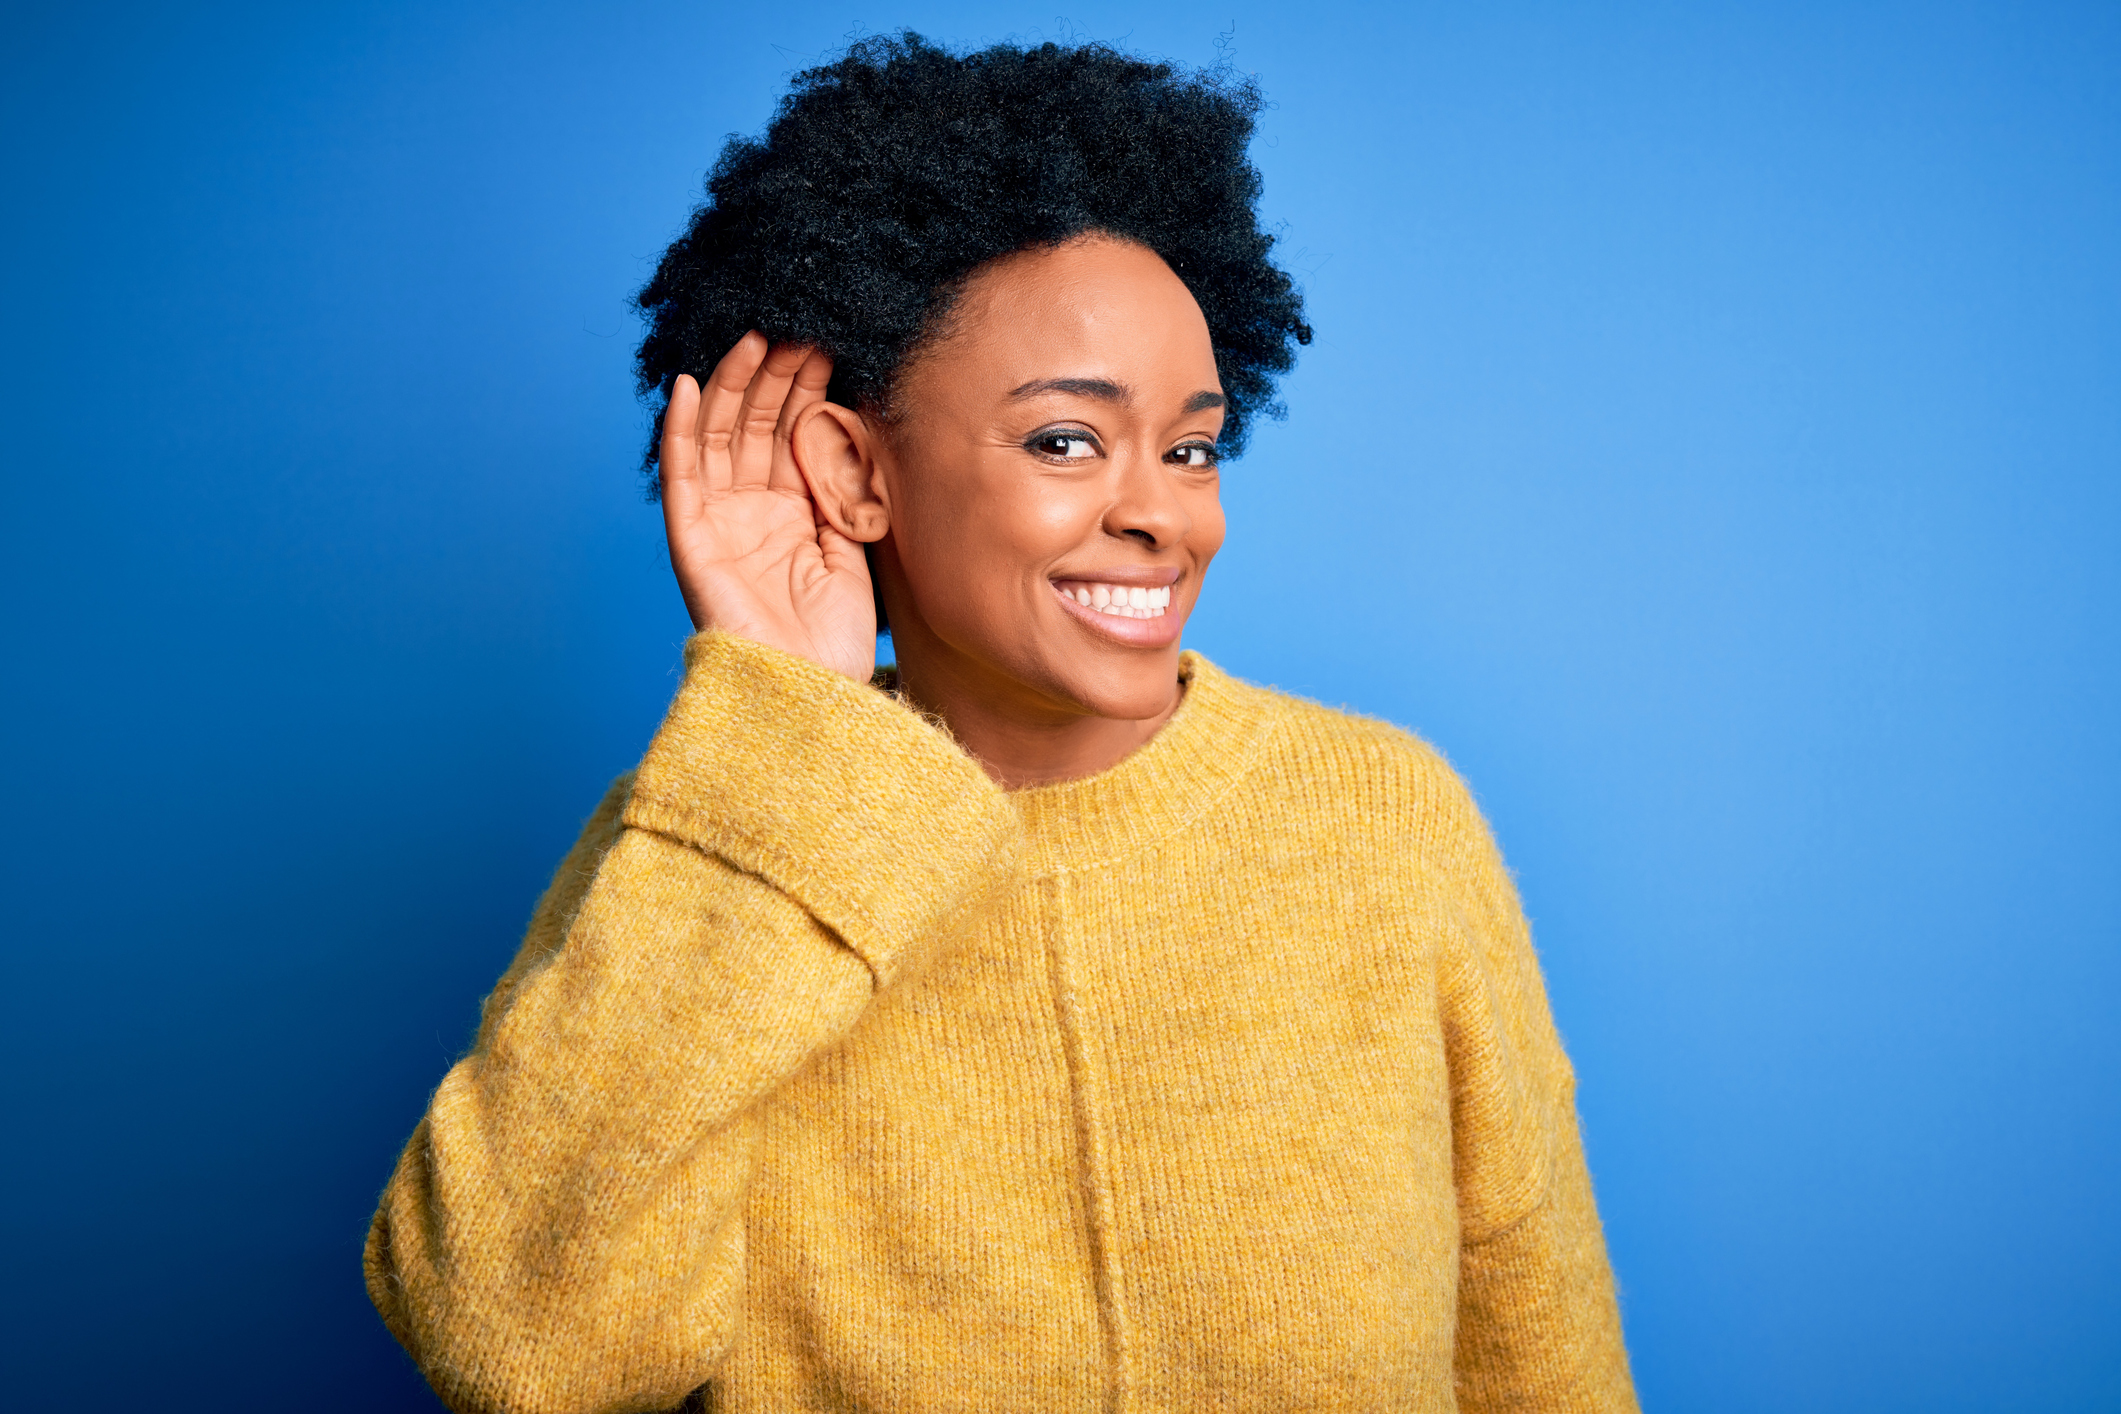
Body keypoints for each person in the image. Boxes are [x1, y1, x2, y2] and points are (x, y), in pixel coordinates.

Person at [365, 33, 1638, 1414]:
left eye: (1192, 444)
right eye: (1065, 440)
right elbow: (517, 1344)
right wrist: (787, 720)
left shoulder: (1384, 817)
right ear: (853, 468)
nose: (1163, 511)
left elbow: (1539, 1347)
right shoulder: (712, 834)